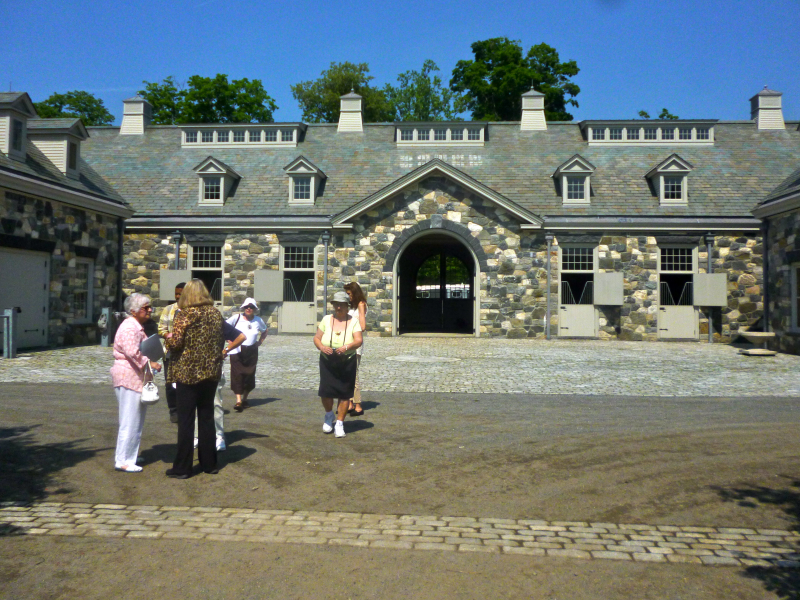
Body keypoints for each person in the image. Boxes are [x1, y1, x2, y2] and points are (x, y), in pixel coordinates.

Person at [163, 279, 225, 479]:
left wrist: (168, 338)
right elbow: (220, 340)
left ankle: (183, 467)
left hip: (187, 373)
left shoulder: (185, 314)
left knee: (186, 420)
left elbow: (176, 343)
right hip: (210, 371)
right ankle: (209, 464)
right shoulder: (215, 314)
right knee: (206, 417)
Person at [110, 293, 162, 473]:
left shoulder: (135, 326)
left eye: (149, 307)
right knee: (130, 419)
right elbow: (133, 352)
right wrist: (150, 363)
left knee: (135, 419)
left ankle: (129, 455)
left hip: (133, 376)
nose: (149, 310)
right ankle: (123, 460)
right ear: (133, 310)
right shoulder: (129, 327)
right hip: (128, 376)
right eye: (145, 308)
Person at [313, 291, 363, 438]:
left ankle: (340, 423)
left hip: (347, 360)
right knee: (326, 391)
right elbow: (317, 338)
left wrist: (347, 347)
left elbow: (358, 340)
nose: (338, 308)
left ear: (347, 306)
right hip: (327, 360)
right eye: (336, 304)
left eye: (341, 305)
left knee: (344, 392)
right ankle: (329, 415)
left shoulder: (353, 321)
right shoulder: (326, 319)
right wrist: (322, 347)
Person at [193, 321, 246, 452]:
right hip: (193, 368)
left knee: (216, 403)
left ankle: (219, 436)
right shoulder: (190, 318)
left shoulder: (216, 320)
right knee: (195, 403)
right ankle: (196, 436)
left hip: (213, 368)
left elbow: (241, 336)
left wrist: (226, 349)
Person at [227, 298, 267, 412]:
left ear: (254, 309)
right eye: (246, 307)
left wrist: (260, 342)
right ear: (243, 308)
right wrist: (230, 341)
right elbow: (224, 327)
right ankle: (238, 400)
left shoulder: (258, 320)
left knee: (249, 374)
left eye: (251, 307)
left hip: (251, 351)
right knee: (237, 374)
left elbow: (265, 331)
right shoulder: (236, 318)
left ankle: (245, 399)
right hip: (237, 350)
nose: (248, 309)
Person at [158, 281, 185, 423]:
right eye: (176, 294)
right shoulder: (168, 309)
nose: (178, 296)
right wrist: (167, 334)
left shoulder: (192, 310)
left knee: (185, 383)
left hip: (186, 353)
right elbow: (161, 328)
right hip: (170, 352)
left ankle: (185, 409)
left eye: (180, 294)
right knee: (170, 383)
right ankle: (173, 410)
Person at [343, 282, 368, 417]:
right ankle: (350, 403)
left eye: (349, 293)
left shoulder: (361, 305)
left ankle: (358, 405)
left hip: (355, 343)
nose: (348, 296)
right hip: (348, 342)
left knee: (354, 374)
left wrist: (351, 327)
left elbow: (362, 326)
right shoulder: (352, 306)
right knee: (347, 374)